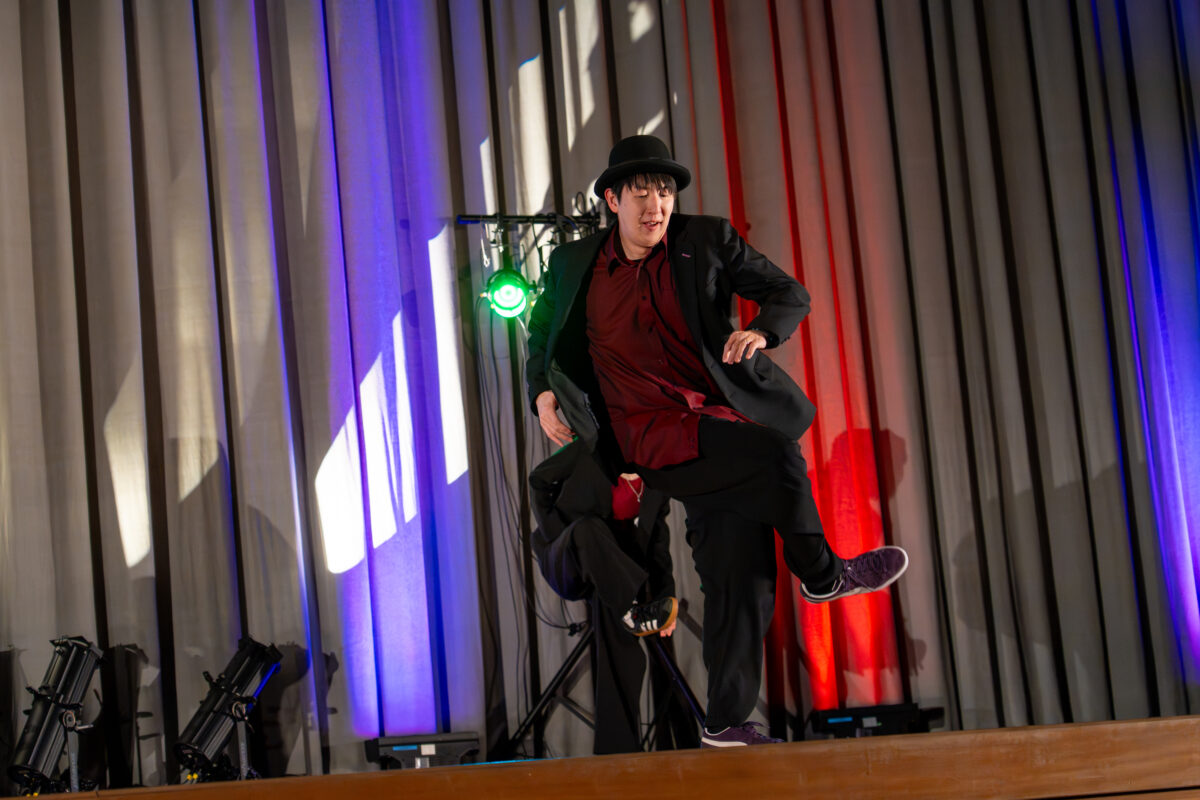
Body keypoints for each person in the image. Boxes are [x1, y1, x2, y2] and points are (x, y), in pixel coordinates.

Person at [525, 134, 909, 747]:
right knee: (775, 453)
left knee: (742, 569)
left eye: (665, 193)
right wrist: (543, 392)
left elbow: (789, 294)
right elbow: (542, 331)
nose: (656, 206)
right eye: (642, 194)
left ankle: (726, 722)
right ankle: (822, 574)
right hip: (638, 435)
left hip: (711, 419)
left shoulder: (705, 240)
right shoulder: (575, 264)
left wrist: (761, 332)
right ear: (613, 200)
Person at [529, 439, 696, 754]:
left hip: (612, 571)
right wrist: (556, 534)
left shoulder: (656, 482)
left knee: (618, 633)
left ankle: (617, 750)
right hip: (568, 555)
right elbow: (538, 480)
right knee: (589, 529)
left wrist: (666, 600)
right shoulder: (590, 448)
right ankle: (631, 611)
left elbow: (657, 544)